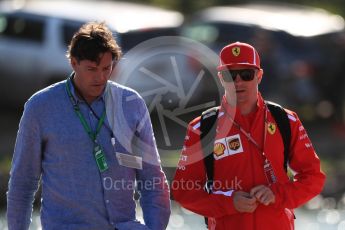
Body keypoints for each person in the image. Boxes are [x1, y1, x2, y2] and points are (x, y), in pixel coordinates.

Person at [7, 22, 170, 230]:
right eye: (92, 69)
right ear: (74, 63)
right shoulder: (40, 107)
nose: (100, 77)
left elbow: (153, 179)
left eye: (106, 68)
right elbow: (22, 183)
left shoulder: (132, 104)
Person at [172, 41, 325, 229]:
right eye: (230, 75)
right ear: (221, 77)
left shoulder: (286, 120)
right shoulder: (202, 127)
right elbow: (183, 191)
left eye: (246, 74)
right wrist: (229, 202)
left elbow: (313, 177)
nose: (238, 82)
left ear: (259, 76)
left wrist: (277, 194)